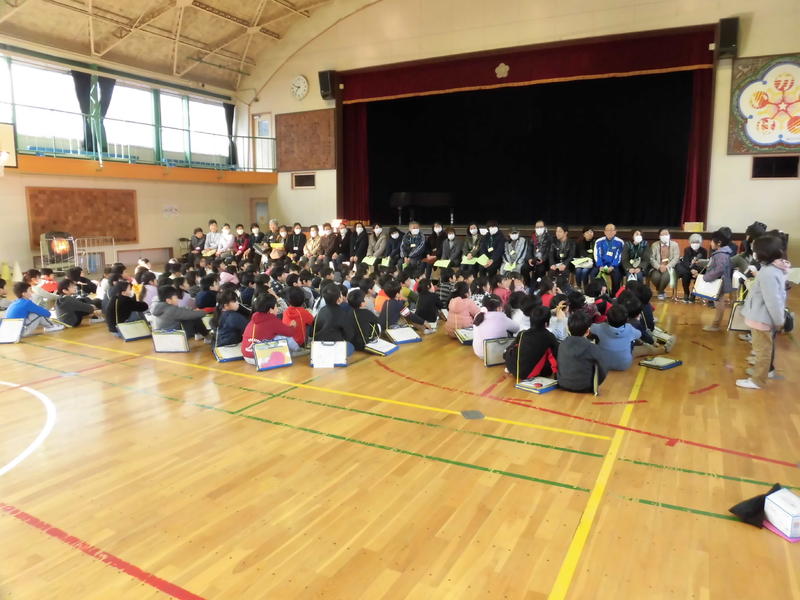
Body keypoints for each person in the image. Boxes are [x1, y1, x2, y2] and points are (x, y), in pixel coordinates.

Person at [737, 234, 790, 389]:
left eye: (756, 250)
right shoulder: (773, 269)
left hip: (762, 320)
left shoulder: (768, 273)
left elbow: (773, 300)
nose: (754, 253)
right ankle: (759, 376)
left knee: (762, 352)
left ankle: (757, 380)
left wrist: (779, 321)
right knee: (762, 350)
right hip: (762, 318)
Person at [241, 293, 303, 364]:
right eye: (276, 306)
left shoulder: (253, 318)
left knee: (273, 335)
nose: (277, 308)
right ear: (270, 310)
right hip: (260, 358)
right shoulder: (272, 320)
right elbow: (289, 332)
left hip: (246, 356)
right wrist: (292, 326)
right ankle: (297, 350)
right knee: (282, 336)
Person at [557, 311, 607, 393]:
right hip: (586, 387)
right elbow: (603, 371)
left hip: (562, 384)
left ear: (568, 329)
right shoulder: (593, 348)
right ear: (587, 332)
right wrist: (595, 384)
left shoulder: (562, 344)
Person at [504, 305, 559, 380]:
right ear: (547, 323)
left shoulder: (522, 333)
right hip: (528, 374)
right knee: (550, 357)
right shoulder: (549, 336)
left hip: (512, 368)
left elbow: (509, 349)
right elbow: (557, 355)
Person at [695, 229, 733, 332]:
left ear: (719, 243)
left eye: (712, 241)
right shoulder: (721, 253)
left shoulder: (721, 254)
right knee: (718, 301)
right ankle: (716, 324)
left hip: (720, 283)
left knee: (719, 302)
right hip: (721, 281)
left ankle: (716, 325)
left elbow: (719, 269)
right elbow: (713, 264)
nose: (710, 243)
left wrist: (706, 277)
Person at [589, 303, 641, 371]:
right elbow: (639, 334)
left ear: (607, 318)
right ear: (627, 320)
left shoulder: (599, 327)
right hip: (624, 365)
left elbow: (591, 328)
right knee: (635, 345)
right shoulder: (629, 328)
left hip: (602, 363)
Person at [471, 294, 520, 360]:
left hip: (478, 353)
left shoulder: (478, 315)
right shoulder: (502, 318)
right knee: (510, 334)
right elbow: (517, 328)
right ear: (498, 308)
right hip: (494, 355)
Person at [311, 283, 356, 355]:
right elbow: (349, 334)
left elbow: (312, 329)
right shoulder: (342, 312)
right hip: (335, 347)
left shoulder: (321, 310)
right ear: (338, 298)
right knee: (351, 347)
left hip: (319, 347)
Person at [675, 233, 708, 302]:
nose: (695, 244)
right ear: (690, 242)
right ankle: (686, 293)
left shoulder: (704, 251)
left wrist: (696, 271)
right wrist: (691, 269)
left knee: (699, 276)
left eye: (697, 242)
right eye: (693, 242)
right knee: (685, 275)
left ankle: (693, 294)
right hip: (688, 269)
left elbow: (703, 263)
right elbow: (686, 262)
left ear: (700, 243)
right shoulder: (687, 249)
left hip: (699, 270)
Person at [648, 228, 679, 300]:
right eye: (662, 234)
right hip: (657, 267)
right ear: (659, 236)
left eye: (666, 234)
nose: (665, 236)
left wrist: (667, 266)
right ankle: (661, 291)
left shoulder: (675, 245)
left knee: (666, 276)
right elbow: (651, 258)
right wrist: (659, 267)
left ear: (669, 235)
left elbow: (676, 258)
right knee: (655, 277)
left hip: (669, 267)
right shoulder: (654, 245)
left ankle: (660, 292)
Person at [594, 223, 624, 295]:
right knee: (594, 274)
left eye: (611, 230)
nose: (609, 232)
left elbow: (618, 256)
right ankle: (598, 295)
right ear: (604, 232)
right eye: (607, 230)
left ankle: (614, 296)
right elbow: (597, 255)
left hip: (614, 266)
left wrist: (613, 266)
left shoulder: (620, 242)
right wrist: (600, 266)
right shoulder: (599, 241)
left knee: (616, 276)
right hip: (601, 265)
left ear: (615, 231)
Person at [524, 220, 553, 284]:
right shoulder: (532, 237)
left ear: (544, 227)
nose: (539, 228)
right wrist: (529, 259)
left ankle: (539, 285)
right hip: (533, 259)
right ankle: (528, 284)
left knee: (540, 269)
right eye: (537, 227)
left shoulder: (549, 238)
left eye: (541, 227)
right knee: (524, 268)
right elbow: (529, 250)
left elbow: (549, 252)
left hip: (544, 261)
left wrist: (543, 259)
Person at [574, 226, 596, 290]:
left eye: (591, 232)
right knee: (578, 270)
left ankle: (585, 286)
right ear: (584, 234)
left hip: (592, 262)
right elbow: (576, 255)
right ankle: (579, 286)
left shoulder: (595, 242)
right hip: (581, 262)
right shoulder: (579, 243)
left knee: (584, 271)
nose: (589, 233)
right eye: (587, 232)